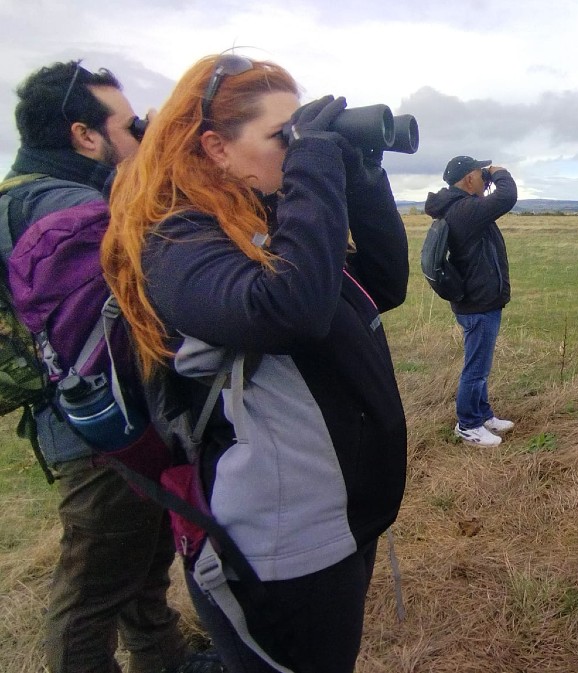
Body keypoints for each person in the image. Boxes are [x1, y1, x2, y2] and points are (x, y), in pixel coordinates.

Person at [101, 54, 409, 673]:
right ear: (216, 147)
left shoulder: (264, 219)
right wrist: (313, 165)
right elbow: (286, 313)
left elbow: (383, 280)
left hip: (337, 514)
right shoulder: (177, 241)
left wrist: (361, 172)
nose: (296, 152)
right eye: (283, 138)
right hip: (280, 542)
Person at [1, 60, 213, 673]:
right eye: (129, 124)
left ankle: (164, 659)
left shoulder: (24, 196)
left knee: (142, 559)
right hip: (100, 429)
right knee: (91, 589)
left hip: (83, 417)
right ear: (84, 135)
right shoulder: (69, 209)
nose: (140, 135)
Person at [424, 156, 518, 446]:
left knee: (481, 364)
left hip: (478, 299)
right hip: (478, 303)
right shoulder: (465, 209)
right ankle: (467, 424)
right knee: (476, 368)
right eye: (480, 174)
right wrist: (498, 172)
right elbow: (507, 196)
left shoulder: (461, 207)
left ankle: (482, 414)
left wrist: (486, 177)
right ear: (468, 179)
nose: (484, 177)